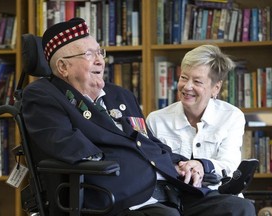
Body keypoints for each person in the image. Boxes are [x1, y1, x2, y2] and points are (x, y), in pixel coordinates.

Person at [21, 18, 255, 216]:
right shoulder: (43, 95)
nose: (100, 60)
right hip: (118, 196)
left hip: (169, 188)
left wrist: (181, 163)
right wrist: (134, 163)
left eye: (100, 52)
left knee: (239, 208)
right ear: (63, 67)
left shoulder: (119, 94)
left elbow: (149, 141)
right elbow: (69, 148)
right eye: (89, 54)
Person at [146, 45, 246, 189]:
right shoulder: (156, 120)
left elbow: (229, 165)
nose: (187, 87)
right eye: (184, 78)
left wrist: (202, 165)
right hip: (171, 196)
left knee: (242, 208)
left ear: (215, 88)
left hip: (215, 194)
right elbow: (150, 165)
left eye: (197, 82)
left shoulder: (231, 117)